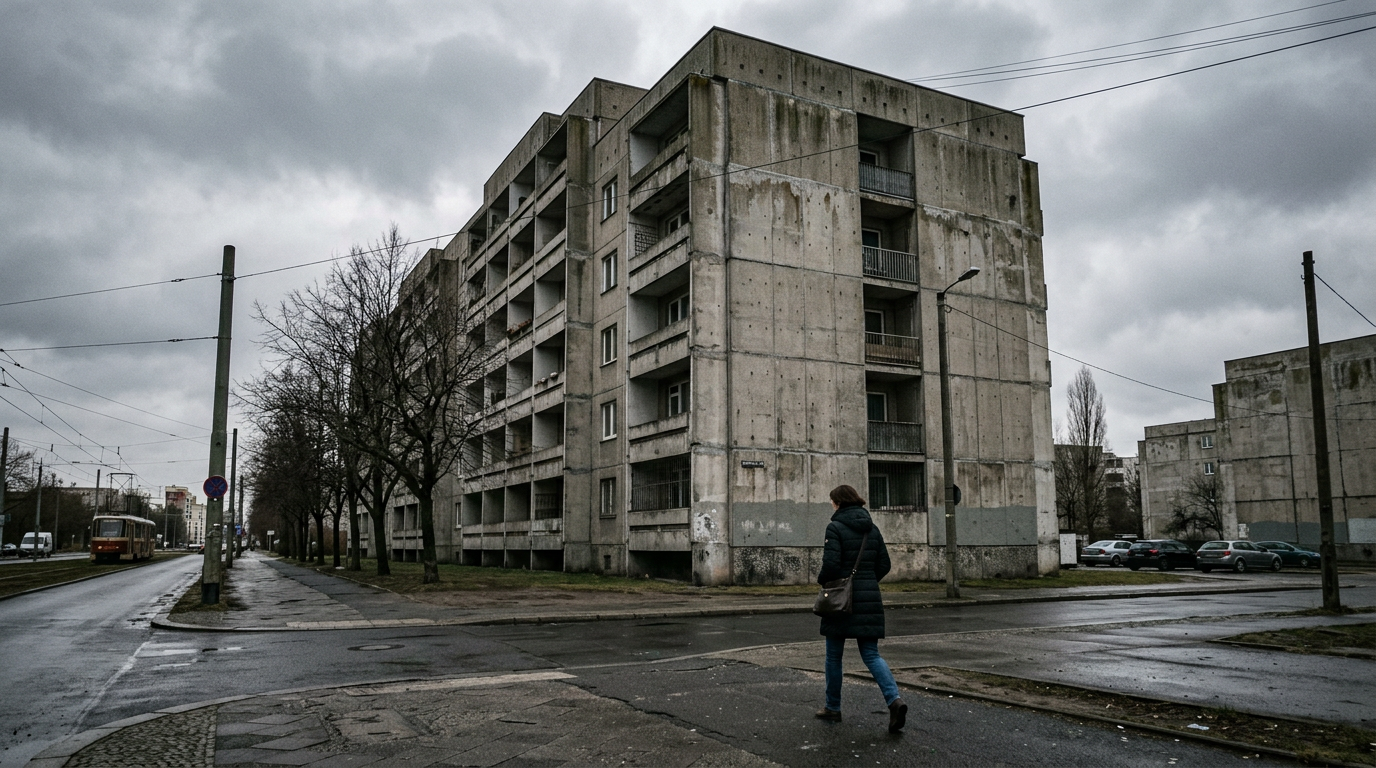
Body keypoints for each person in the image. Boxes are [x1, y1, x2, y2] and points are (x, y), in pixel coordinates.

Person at [815, 484, 907, 733]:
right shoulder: (872, 529)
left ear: (839, 503)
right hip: (869, 598)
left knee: (834, 656)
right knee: (871, 655)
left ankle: (832, 708)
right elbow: (884, 564)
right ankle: (894, 700)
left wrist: (823, 581)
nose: (832, 506)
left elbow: (831, 566)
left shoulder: (834, 527)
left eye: (832, 502)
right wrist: (866, 581)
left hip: (840, 601)